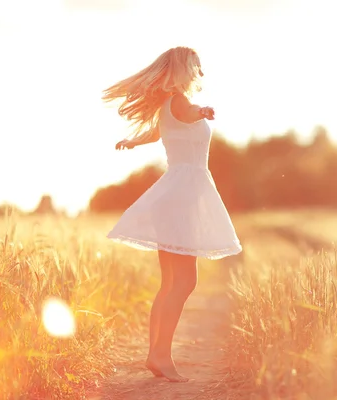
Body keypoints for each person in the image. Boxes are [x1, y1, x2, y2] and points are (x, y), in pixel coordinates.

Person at [102, 46, 242, 382]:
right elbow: (191, 113)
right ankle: (161, 356)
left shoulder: (168, 105)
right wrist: (203, 111)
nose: (199, 70)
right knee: (185, 281)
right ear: (183, 68)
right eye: (195, 65)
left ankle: (157, 354)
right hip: (184, 193)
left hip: (175, 193)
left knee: (171, 283)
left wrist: (134, 142)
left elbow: (160, 130)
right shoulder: (180, 100)